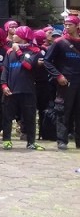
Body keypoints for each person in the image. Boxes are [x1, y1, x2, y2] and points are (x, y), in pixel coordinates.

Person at [0, 26, 44, 150]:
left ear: (23, 37)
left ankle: (31, 142)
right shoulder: (9, 52)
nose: (13, 35)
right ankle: (7, 140)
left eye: (16, 33)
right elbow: (5, 70)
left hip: (27, 90)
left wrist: (18, 51)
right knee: (7, 117)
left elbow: (28, 65)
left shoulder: (35, 51)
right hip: (11, 90)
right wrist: (4, 85)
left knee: (29, 117)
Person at [43, 15, 80, 150]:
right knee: (63, 111)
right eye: (65, 24)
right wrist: (58, 76)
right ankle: (62, 140)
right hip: (66, 82)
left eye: (70, 24)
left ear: (77, 26)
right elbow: (47, 61)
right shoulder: (59, 42)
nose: (67, 26)